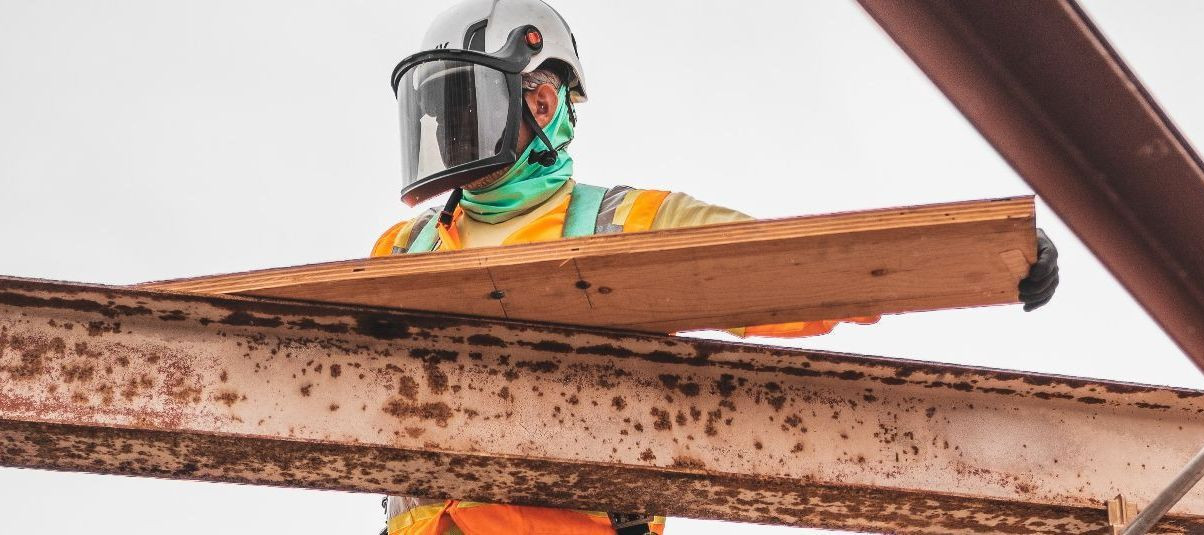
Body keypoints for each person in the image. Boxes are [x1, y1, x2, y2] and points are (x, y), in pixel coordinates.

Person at [373, 1, 1059, 533]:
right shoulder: (403, 251)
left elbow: (791, 273)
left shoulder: (627, 224)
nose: (447, 133)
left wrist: (985, 260)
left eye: (461, 106)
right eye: (439, 114)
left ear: (539, 102)